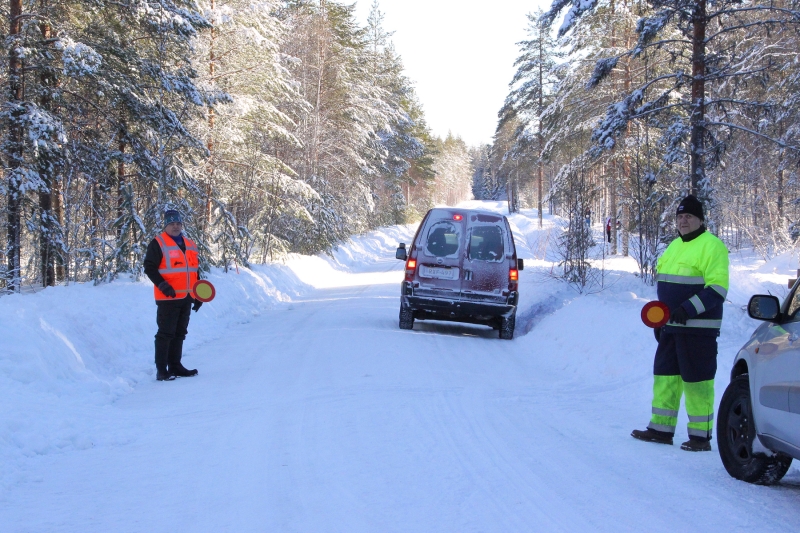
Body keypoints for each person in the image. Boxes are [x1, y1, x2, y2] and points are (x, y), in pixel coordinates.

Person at [631, 195, 729, 452]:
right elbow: (668, 289)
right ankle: (661, 429)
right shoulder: (674, 246)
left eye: (689, 217)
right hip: (671, 327)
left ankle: (700, 437)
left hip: (698, 329)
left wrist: (688, 309)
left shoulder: (712, 246)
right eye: (680, 217)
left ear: (700, 220)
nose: (684, 221)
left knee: (697, 381)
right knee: (665, 377)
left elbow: (717, 289)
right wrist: (659, 320)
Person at [143, 209, 202, 381]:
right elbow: (149, 268)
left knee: (180, 333)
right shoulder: (158, 243)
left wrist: (198, 294)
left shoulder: (189, 244)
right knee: (165, 333)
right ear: (166, 225)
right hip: (168, 297)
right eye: (172, 223)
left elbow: (193, 271)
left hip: (186, 297)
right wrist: (162, 284)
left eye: (178, 223)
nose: (175, 226)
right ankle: (162, 370)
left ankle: (175, 366)